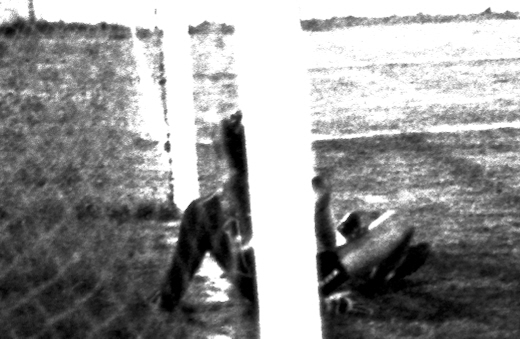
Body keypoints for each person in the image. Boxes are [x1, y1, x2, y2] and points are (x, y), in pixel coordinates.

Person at [152, 111, 430, 314]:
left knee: (346, 227)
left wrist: (162, 303)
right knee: (398, 224)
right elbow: (326, 250)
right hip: (296, 287)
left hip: (256, 291)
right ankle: (376, 274)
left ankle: (365, 254)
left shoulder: (199, 210)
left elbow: (171, 290)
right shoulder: (300, 189)